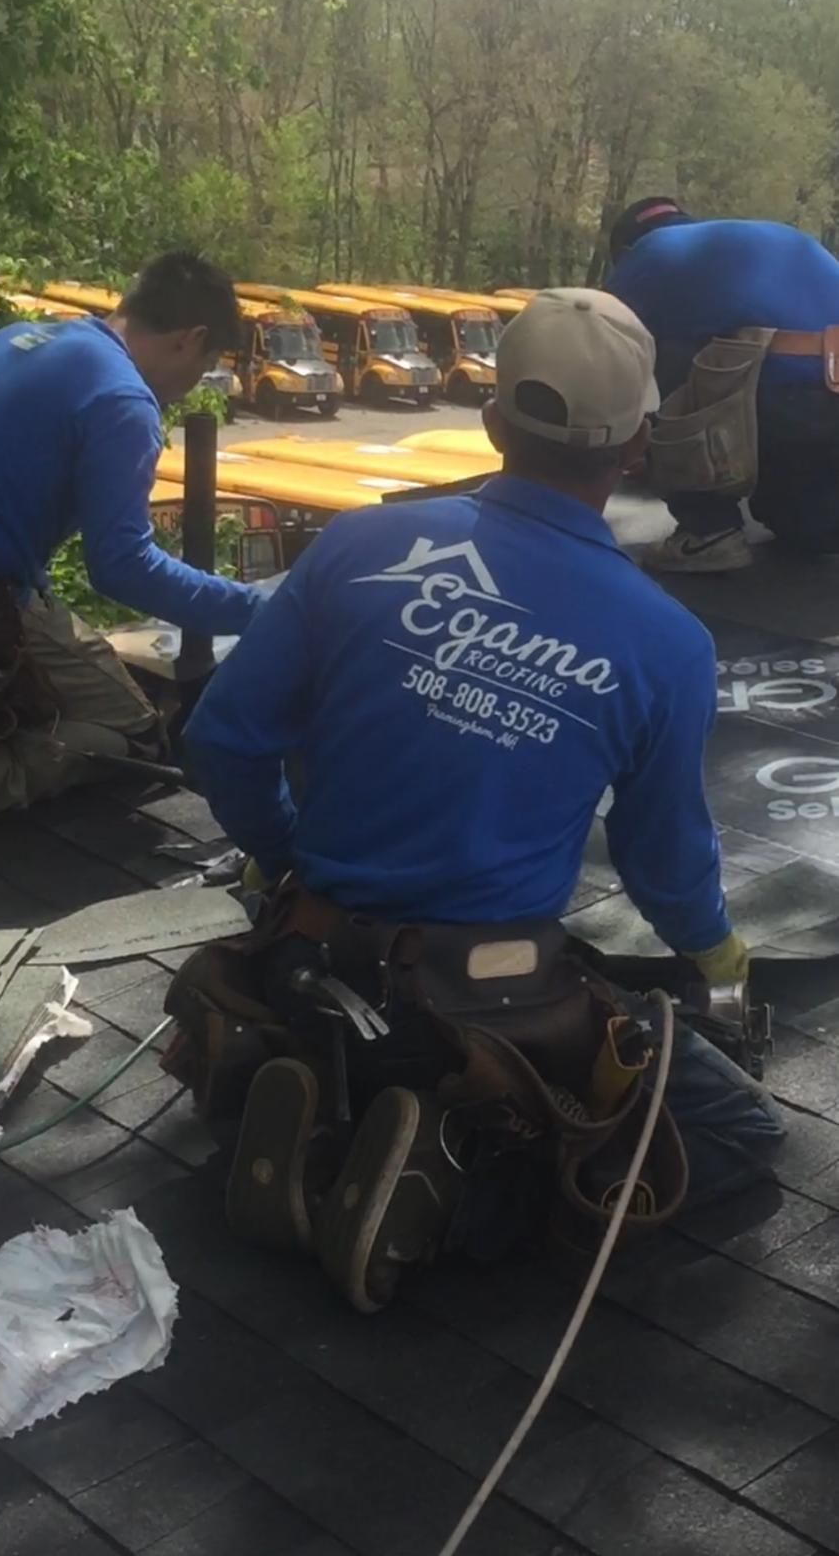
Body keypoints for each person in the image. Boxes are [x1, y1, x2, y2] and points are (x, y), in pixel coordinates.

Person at [178, 289, 784, 1313]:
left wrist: (281, 857)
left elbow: (224, 739)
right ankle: (453, 1184)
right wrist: (716, 953)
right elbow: (662, 859)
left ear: (495, 422)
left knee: (340, 1001)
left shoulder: (359, 547)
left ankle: (313, 1096)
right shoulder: (667, 642)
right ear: (638, 445)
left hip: (317, 945)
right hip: (486, 996)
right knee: (739, 1134)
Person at [0, 250, 262, 816]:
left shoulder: (22, 339)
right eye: (207, 363)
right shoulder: (121, 399)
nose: (194, 385)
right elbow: (121, 566)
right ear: (190, 339)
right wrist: (258, 610)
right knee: (134, 733)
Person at [607, 197, 839, 573]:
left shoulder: (646, 255)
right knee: (808, 530)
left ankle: (707, 530)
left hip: (783, 396)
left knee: (656, 353)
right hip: (822, 396)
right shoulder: (773, 239)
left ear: (624, 249)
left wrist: (636, 443)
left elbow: (603, 361)